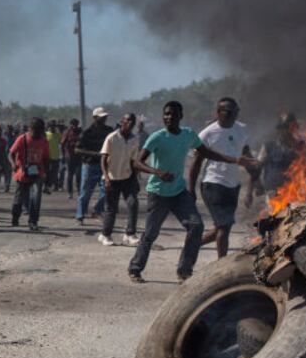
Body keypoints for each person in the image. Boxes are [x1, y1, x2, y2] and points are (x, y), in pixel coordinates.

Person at [128, 101, 258, 283]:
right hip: (158, 193)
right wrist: (157, 172)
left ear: (180, 116)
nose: (169, 117)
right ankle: (135, 268)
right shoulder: (157, 137)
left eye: (173, 114)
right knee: (150, 233)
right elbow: (136, 162)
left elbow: (207, 153)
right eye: (166, 114)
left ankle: (184, 270)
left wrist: (235, 160)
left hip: (179, 191)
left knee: (196, 226)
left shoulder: (188, 135)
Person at [191, 97, 256, 259]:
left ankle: (192, 245)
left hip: (233, 186)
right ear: (218, 113)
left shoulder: (242, 129)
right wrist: (191, 190)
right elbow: (196, 164)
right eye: (228, 112)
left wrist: (254, 179)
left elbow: (247, 156)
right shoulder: (207, 134)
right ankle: (222, 264)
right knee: (224, 227)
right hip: (213, 184)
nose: (233, 115)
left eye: (236, 112)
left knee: (222, 227)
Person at [98, 113, 152, 247]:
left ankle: (130, 234)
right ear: (122, 121)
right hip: (112, 178)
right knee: (111, 208)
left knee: (133, 204)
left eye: (132, 122)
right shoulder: (111, 137)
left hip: (127, 178)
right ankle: (105, 234)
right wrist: (106, 178)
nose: (130, 123)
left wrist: (136, 179)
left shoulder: (134, 139)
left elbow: (134, 161)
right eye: (127, 120)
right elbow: (103, 159)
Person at [9, 118, 50, 231]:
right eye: (35, 130)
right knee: (19, 199)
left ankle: (33, 221)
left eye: (40, 131)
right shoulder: (22, 139)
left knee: (36, 198)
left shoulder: (44, 141)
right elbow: (11, 153)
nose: (37, 133)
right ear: (30, 129)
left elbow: (46, 159)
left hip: (38, 173)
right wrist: (13, 164)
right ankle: (15, 216)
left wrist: (46, 174)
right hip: (22, 173)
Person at [75, 107, 111, 224]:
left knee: (106, 190)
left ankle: (97, 210)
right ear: (95, 118)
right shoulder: (87, 133)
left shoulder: (109, 131)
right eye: (101, 117)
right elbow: (77, 150)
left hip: (104, 166)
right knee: (85, 192)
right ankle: (80, 214)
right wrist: (94, 153)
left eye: (105, 117)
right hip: (90, 165)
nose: (104, 119)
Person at [62, 118, 80, 195]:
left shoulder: (80, 132)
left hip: (79, 157)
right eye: (73, 124)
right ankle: (70, 191)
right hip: (69, 156)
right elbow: (62, 144)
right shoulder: (67, 132)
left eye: (75, 124)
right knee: (70, 175)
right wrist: (63, 155)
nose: (74, 126)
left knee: (79, 174)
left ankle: (79, 190)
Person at [45, 120, 62, 192]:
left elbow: (61, 142)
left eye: (54, 126)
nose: (53, 128)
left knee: (55, 172)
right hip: (48, 157)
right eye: (52, 126)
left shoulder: (58, 135)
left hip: (56, 157)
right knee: (47, 172)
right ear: (49, 127)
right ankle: (47, 185)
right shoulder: (46, 134)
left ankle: (55, 186)